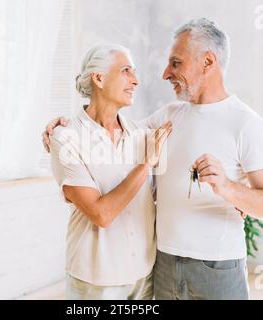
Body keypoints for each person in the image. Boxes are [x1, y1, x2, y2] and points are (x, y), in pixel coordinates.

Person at [44, 18, 263, 300]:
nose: (165, 73)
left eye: (176, 63)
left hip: (217, 267)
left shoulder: (246, 124)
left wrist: (229, 189)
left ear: (208, 62)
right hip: (162, 265)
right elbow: (105, 129)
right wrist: (65, 124)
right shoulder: (168, 117)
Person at [49, 43, 172, 300]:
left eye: (134, 72)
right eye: (126, 70)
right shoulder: (66, 137)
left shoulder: (141, 134)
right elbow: (101, 214)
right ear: (98, 78)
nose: (136, 80)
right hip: (96, 281)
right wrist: (146, 163)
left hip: (144, 275)